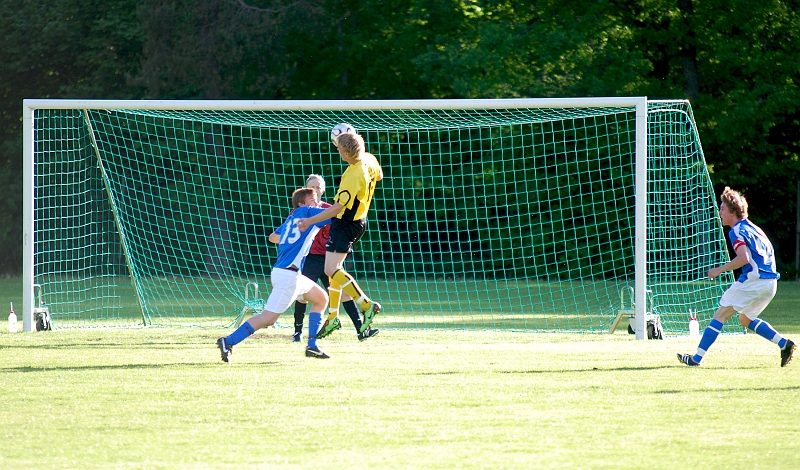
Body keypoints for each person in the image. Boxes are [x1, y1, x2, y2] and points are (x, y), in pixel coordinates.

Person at [678, 186, 795, 367]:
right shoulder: (755, 229)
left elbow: (743, 258)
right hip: (771, 283)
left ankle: (696, 359)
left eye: (723, 209)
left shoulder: (736, 231)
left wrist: (719, 270)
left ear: (733, 212)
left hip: (755, 281)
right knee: (745, 318)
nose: (720, 213)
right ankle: (784, 344)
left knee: (720, 315)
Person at [216, 187, 333, 361]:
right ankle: (228, 341)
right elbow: (335, 213)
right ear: (302, 203)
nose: (317, 202)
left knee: (321, 298)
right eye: (312, 199)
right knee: (268, 318)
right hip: (288, 276)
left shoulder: (291, 218)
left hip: (289, 273)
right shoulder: (308, 213)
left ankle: (312, 346)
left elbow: (273, 237)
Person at [297, 132, 383, 338]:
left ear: (346, 153)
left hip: (345, 223)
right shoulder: (368, 159)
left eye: (339, 149)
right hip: (359, 220)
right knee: (335, 270)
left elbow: (337, 208)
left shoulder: (353, 176)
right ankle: (333, 316)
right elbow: (379, 175)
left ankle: (366, 304)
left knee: (331, 269)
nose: (338, 151)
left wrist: (310, 221)